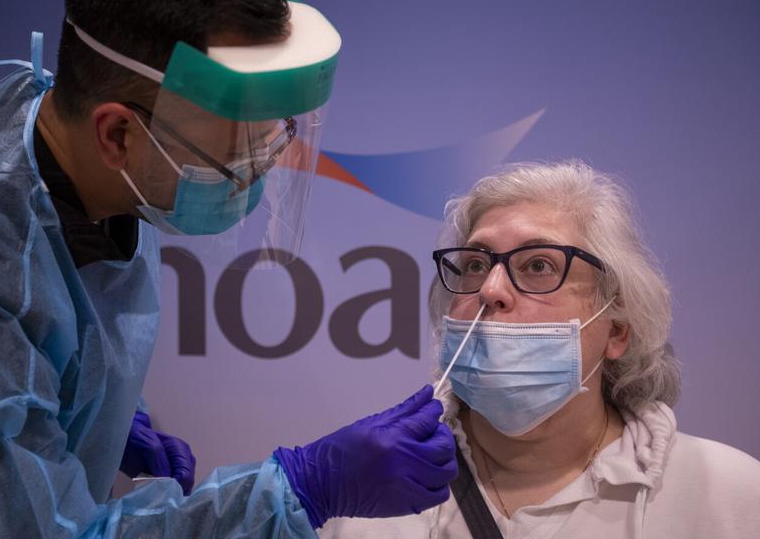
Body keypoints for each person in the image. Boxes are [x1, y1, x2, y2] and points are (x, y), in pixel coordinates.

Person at [0, 0, 458, 537]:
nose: (252, 173)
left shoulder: (106, 168)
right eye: (233, 155)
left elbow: (54, 316)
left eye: (269, 139)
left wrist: (94, 410)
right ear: (116, 134)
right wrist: (298, 489)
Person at [319, 161, 760, 538]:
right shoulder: (371, 498)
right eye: (475, 264)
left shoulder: (729, 497)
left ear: (617, 330)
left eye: (537, 266)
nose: (491, 289)